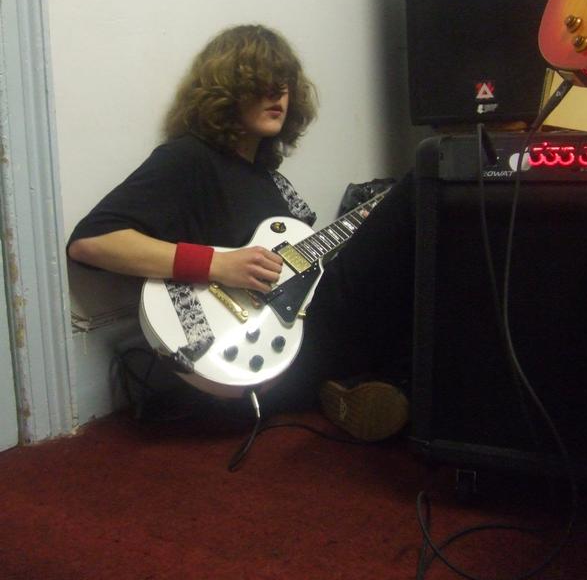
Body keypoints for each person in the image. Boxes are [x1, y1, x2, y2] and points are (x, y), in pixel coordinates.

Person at [68, 24, 412, 441]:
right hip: (238, 348)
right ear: (225, 90)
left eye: (284, 84)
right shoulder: (190, 158)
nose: (278, 94)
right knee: (417, 186)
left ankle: (353, 387)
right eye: (261, 83)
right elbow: (92, 242)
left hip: (292, 333)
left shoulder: (270, 179)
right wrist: (218, 264)